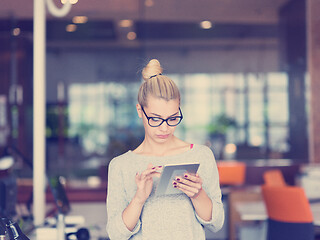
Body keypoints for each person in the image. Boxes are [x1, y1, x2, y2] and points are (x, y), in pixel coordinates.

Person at [106, 59, 224, 240]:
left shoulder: (201, 155)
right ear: (139, 110)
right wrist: (139, 199)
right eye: (155, 119)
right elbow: (115, 235)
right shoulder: (121, 165)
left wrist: (198, 194)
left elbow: (217, 223)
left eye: (172, 118)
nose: (164, 128)